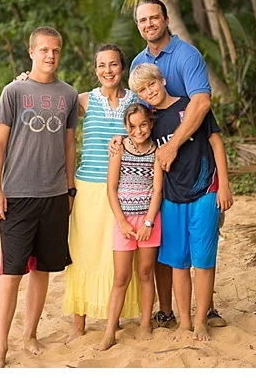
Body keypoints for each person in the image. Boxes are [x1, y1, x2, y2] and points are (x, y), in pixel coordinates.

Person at [111, 0, 226, 328]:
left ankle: (207, 311)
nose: (149, 24)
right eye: (142, 20)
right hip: (163, 181)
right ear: (138, 25)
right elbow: (137, 115)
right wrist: (120, 137)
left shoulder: (187, 55)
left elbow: (202, 103)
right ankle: (168, 311)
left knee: (201, 249)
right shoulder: (138, 63)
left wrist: (173, 146)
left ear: (165, 19)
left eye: (154, 17)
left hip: (196, 170)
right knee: (170, 250)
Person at [0, 26, 79, 368]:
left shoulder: (68, 95)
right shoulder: (13, 91)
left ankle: (30, 335)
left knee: (42, 270)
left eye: (55, 50)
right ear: (31, 52)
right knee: (11, 273)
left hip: (54, 195)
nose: (50, 56)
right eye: (44, 50)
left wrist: (70, 188)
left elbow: (69, 145)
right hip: (17, 195)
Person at [128, 63, 233, 341]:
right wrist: (117, 140)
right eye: (142, 90)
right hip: (171, 198)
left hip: (205, 191)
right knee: (179, 263)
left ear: (162, 80)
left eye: (152, 84)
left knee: (203, 260)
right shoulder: (150, 121)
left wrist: (224, 185)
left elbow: (216, 143)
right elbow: (134, 139)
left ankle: (201, 322)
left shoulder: (191, 106)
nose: (149, 91)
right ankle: (185, 322)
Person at [63, 44, 142, 340]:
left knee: (114, 258)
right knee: (83, 253)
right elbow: (51, 103)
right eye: (101, 65)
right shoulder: (83, 100)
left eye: (113, 64)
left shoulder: (135, 100)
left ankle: (114, 319)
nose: (108, 71)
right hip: (87, 189)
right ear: (95, 69)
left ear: (122, 67)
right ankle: (78, 325)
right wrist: (24, 81)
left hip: (123, 191)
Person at [95, 103, 163, 351]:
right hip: (124, 223)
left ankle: (145, 324)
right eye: (132, 126)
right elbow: (111, 188)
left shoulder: (157, 151)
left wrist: (148, 222)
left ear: (151, 124)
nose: (138, 130)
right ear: (126, 127)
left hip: (148, 223)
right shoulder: (120, 148)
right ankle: (110, 331)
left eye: (143, 124)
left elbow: (157, 190)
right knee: (121, 277)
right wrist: (122, 222)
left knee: (145, 273)